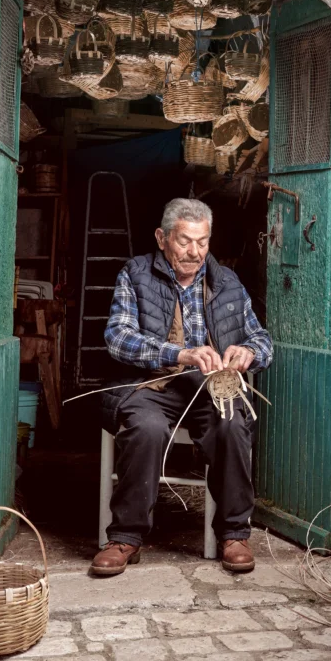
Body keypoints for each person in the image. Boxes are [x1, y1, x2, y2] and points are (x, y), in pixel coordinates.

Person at [93, 198, 273, 576]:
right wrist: (180, 353)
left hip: (210, 391)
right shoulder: (136, 273)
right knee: (146, 428)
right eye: (185, 241)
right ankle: (126, 537)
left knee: (232, 426)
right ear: (162, 238)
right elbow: (117, 337)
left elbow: (263, 340)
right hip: (153, 387)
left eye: (203, 242)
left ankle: (234, 534)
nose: (195, 252)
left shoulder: (227, 282)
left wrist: (248, 352)